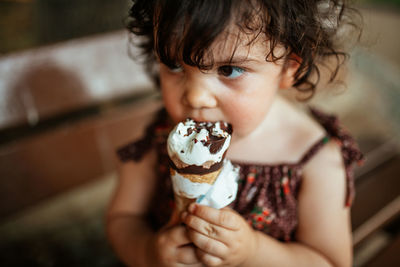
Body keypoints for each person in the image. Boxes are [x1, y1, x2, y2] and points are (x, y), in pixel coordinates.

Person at [107, 0, 363, 266]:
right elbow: (123, 219)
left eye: (228, 70)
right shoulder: (163, 135)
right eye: (174, 66)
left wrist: (254, 252)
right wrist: (148, 253)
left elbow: (330, 262)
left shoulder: (317, 159)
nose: (196, 97)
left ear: (289, 68)